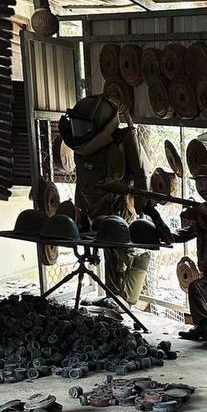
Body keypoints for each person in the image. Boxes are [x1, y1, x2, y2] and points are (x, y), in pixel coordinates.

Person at [58, 94, 150, 306]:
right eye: (77, 126)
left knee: (122, 252)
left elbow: (141, 174)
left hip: (118, 206)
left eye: (84, 127)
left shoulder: (123, 140)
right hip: (93, 209)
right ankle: (112, 296)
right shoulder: (82, 150)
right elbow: (81, 182)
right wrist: (78, 211)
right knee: (109, 255)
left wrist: (142, 204)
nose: (79, 132)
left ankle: (125, 300)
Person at [145, 167, 207, 352]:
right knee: (206, 296)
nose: (202, 187)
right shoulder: (202, 215)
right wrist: (154, 215)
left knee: (197, 288)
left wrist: (197, 212)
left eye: (206, 181)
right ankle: (205, 327)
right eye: (198, 182)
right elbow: (174, 236)